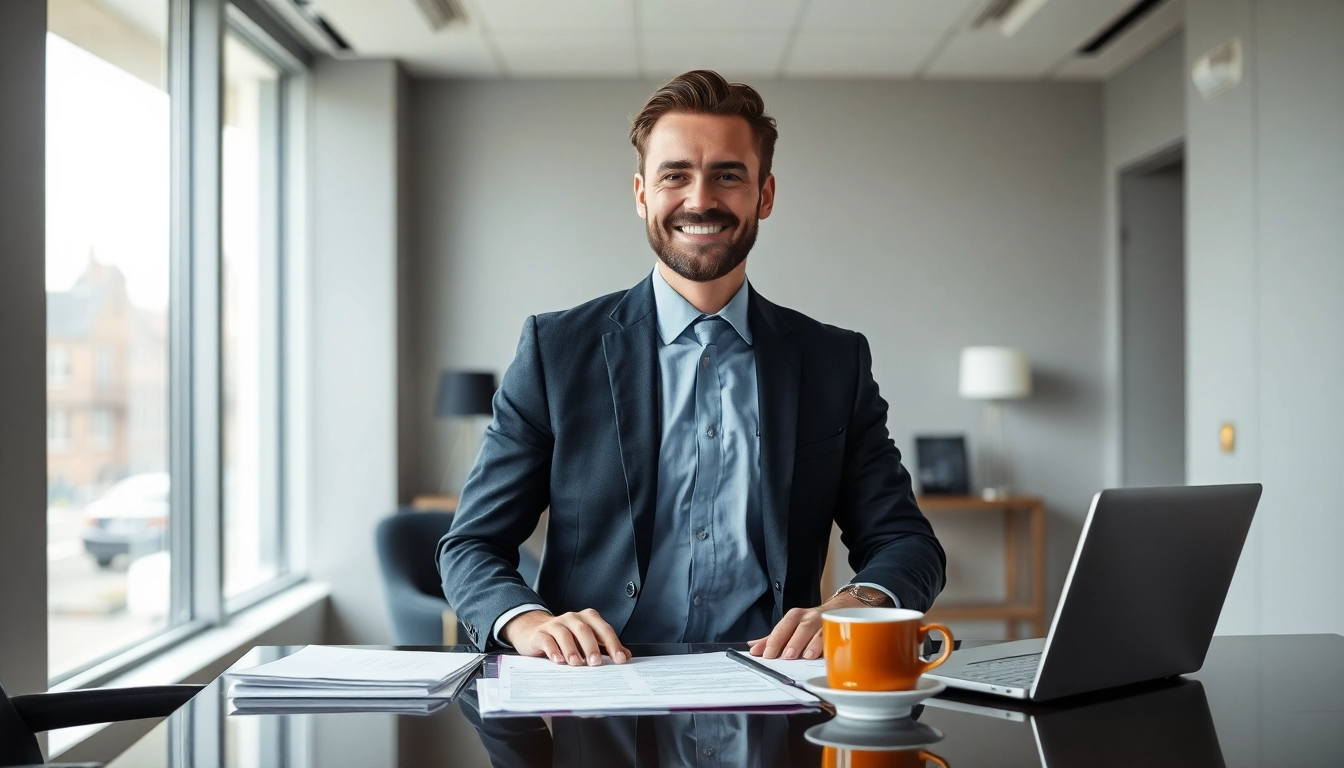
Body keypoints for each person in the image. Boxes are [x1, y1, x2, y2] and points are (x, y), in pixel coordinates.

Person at [438, 69, 945, 666]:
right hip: (594, 685)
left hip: (774, 684)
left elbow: (906, 542)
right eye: (674, 175)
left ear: (765, 195)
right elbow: (471, 545)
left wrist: (856, 603)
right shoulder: (557, 351)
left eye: (727, 175)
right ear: (641, 194)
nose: (700, 200)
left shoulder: (834, 362)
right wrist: (528, 622)